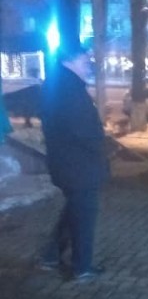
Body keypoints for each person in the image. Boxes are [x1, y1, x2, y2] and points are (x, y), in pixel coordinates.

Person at [40, 44, 109, 280]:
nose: (88, 64)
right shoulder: (70, 90)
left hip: (67, 162)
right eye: (84, 60)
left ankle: (51, 256)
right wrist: (101, 146)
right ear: (68, 61)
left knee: (74, 211)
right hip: (79, 165)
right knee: (84, 217)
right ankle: (82, 267)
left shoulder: (61, 85)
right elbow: (81, 129)